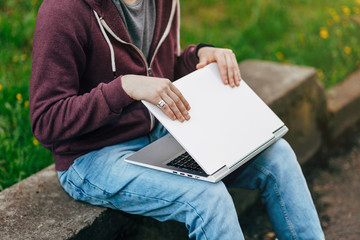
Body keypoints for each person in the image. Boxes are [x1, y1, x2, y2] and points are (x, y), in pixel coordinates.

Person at [30, 0, 325, 239]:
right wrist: (123, 89)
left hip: (160, 132)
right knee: (208, 197)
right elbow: (46, 121)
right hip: (91, 156)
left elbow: (161, 68)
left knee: (278, 155)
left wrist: (199, 56)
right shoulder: (62, 11)